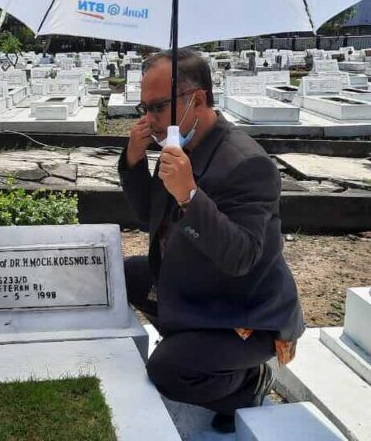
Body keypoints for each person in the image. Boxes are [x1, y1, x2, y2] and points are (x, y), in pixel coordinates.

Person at [118, 49, 305, 432]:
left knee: (168, 369)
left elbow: (242, 258)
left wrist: (189, 195)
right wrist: (134, 160)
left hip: (243, 309)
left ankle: (249, 382)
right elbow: (148, 216)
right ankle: (188, 336)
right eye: (143, 107)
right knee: (117, 277)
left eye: (156, 107)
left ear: (196, 100)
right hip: (196, 283)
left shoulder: (247, 163)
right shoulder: (180, 146)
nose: (147, 120)